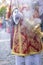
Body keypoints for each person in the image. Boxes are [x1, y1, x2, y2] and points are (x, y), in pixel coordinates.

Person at [11, 0, 42, 65]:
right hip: (21, 32)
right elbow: (13, 6)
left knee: (34, 56)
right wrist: (16, 12)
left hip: (34, 29)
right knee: (21, 58)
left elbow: (40, 6)